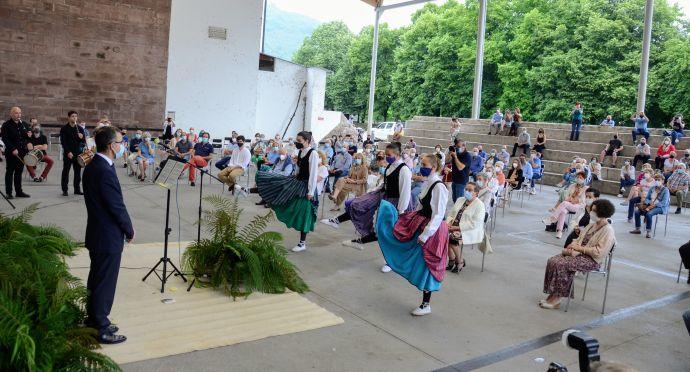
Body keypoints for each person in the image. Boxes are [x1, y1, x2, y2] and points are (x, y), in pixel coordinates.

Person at [375, 153, 449, 316]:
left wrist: (425, 235)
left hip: (433, 229)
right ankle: (424, 302)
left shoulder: (438, 186)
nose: (421, 167)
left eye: (424, 164)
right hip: (423, 222)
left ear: (434, 167)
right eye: (421, 163)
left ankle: (426, 304)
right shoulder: (428, 183)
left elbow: (438, 214)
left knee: (428, 263)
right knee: (419, 259)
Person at [82, 125, 134, 344]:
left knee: (97, 278)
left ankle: (94, 318)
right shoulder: (103, 170)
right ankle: (101, 328)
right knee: (104, 282)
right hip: (107, 235)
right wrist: (129, 229)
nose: (123, 146)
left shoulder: (96, 164)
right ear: (112, 146)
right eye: (121, 142)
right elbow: (116, 206)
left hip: (98, 232)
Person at [321, 142, 411, 258]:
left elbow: (405, 192)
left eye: (389, 155)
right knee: (357, 204)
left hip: (395, 201)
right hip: (383, 194)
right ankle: (337, 221)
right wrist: (373, 191)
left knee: (386, 230)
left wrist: (401, 211)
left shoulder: (404, 170)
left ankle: (388, 259)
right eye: (386, 155)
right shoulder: (390, 165)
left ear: (398, 154)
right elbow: (385, 182)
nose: (386, 157)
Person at [540, 199, 616, 309]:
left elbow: (599, 252)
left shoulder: (608, 231)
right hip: (578, 254)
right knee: (552, 261)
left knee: (562, 264)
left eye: (594, 210)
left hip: (591, 260)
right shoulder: (591, 225)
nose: (591, 212)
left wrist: (579, 249)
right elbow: (578, 239)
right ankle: (553, 294)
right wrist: (572, 246)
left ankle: (558, 298)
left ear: (602, 213)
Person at [257, 131, 320, 252]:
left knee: (305, 214)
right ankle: (250, 190)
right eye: (297, 140)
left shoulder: (313, 154)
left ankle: (302, 243)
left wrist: (311, 192)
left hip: (306, 187)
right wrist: (295, 173)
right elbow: (299, 168)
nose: (297, 143)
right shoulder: (301, 151)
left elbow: (313, 173)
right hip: (298, 181)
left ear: (307, 141)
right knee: (278, 187)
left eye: (299, 141)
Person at [445, 181, 485, 273]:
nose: (467, 191)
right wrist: (449, 223)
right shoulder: (460, 200)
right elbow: (451, 213)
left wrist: (456, 228)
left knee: (452, 238)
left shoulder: (480, 205)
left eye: (470, 190)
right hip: (453, 226)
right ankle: (451, 259)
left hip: (468, 229)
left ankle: (459, 261)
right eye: (466, 189)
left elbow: (475, 223)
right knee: (442, 235)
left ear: (476, 193)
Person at [543, 172, 587, 239]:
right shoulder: (572, 186)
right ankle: (559, 231)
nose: (578, 179)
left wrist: (575, 200)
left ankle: (552, 219)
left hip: (579, 206)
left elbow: (584, 200)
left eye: (580, 178)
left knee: (564, 203)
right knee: (563, 211)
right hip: (568, 204)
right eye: (577, 177)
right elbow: (566, 196)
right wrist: (569, 199)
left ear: (584, 179)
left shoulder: (586, 188)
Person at [1, 106, 32, 198]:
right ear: (11, 114)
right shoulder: (6, 125)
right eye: (16, 113)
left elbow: (27, 138)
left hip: (22, 152)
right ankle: (8, 192)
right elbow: (5, 139)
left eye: (20, 113)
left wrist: (29, 136)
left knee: (19, 172)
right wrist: (12, 148)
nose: (18, 115)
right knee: (10, 172)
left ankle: (19, 191)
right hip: (11, 153)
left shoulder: (24, 124)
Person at [630, 173, 669, 238]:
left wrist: (653, 205)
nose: (657, 181)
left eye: (659, 180)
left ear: (662, 180)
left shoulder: (665, 190)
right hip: (649, 205)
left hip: (660, 207)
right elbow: (647, 198)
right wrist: (649, 202)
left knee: (649, 214)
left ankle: (648, 232)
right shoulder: (652, 188)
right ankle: (637, 229)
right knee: (637, 212)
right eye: (656, 179)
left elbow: (664, 203)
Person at [60, 110, 87, 196]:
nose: (74, 118)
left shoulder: (80, 128)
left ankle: (77, 189)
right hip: (68, 153)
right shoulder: (64, 129)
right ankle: (65, 190)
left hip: (78, 153)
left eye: (76, 116)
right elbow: (63, 142)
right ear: (68, 117)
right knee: (66, 172)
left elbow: (83, 141)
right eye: (72, 116)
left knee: (77, 172)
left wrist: (82, 137)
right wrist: (68, 152)